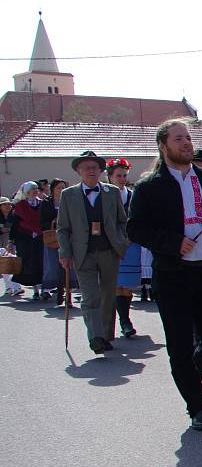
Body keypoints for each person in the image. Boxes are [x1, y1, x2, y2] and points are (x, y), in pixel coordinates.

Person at [127, 119, 202, 432]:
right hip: (172, 275)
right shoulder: (149, 186)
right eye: (179, 139)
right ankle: (197, 407)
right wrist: (173, 243)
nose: (186, 143)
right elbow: (135, 228)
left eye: (188, 138)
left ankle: (188, 379)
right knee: (180, 346)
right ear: (164, 146)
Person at [57, 151, 129, 354]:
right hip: (82, 253)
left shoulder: (112, 192)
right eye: (85, 168)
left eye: (94, 168)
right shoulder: (68, 195)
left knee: (108, 295)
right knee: (90, 297)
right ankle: (96, 337)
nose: (90, 171)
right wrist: (64, 252)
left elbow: (122, 221)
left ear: (100, 171)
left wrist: (122, 242)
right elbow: (62, 228)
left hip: (109, 251)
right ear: (78, 171)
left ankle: (106, 335)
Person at [106, 158, 141, 337]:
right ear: (110, 177)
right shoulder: (105, 194)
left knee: (126, 286)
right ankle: (122, 321)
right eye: (118, 175)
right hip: (111, 243)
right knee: (115, 284)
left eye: (124, 175)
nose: (122, 179)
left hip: (130, 243)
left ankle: (125, 319)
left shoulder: (132, 195)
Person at [39, 178, 75, 306]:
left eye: (63, 187)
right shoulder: (46, 203)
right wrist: (53, 221)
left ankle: (68, 295)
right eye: (59, 187)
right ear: (53, 189)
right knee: (55, 266)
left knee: (68, 267)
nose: (61, 190)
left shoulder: (70, 202)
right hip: (52, 238)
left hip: (68, 238)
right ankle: (58, 292)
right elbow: (41, 221)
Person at [10, 181, 44, 299]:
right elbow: (15, 225)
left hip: (40, 238)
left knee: (42, 262)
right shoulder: (20, 206)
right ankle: (35, 290)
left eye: (36, 189)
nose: (35, 191)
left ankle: (45, 289)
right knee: (30, 264)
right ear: (26, 192)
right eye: (32, 189)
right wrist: (11, 241)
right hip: (25, 239)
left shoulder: (42, 204)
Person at [0, 196, 23, 296]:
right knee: (5, 265)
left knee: (12, 264)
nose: (7, 206)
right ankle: (10, 287)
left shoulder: (14, 215)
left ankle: (14, 287)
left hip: (12, 243)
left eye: (9, 204)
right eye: (4, 204)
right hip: (1, 242)